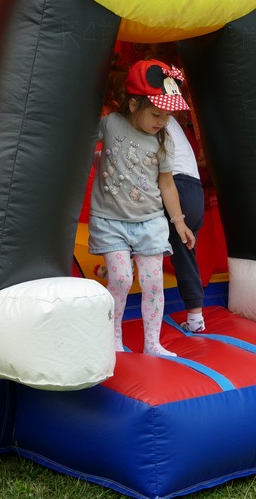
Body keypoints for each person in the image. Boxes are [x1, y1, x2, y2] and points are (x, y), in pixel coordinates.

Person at [88, 59, 195, 357]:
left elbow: (167, 185)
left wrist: (179, 222)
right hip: (111, 220)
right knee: (121, 278)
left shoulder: (164, 141)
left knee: (154, 284)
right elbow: (81, 141)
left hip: (150, 221)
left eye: (168, 115)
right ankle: (112, 339)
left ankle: (152, 343)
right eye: (157, 114)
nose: (163, 121)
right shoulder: (111, 124)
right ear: (134, 105)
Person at [166, 112, 209, 333]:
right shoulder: (170, 120)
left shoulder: (153, 119)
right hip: (194, 188)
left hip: (176, 186)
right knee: (186, 256)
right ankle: (195, 317)